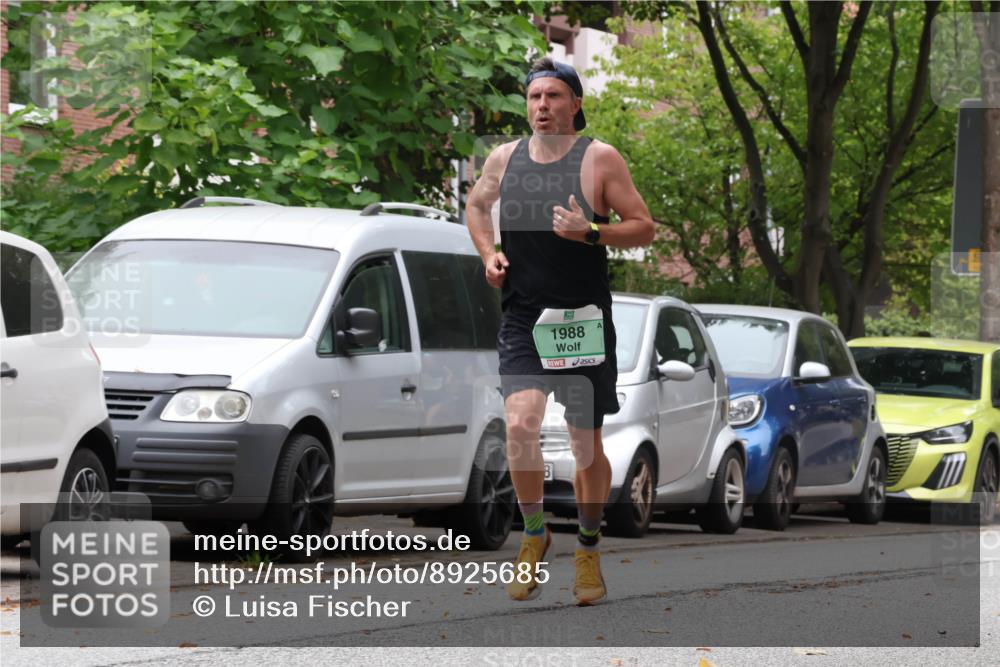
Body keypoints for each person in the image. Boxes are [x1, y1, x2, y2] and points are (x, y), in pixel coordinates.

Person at [465, 57, 654, 605]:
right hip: (524, 316)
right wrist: (488, 253)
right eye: (533, 98)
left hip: (580, 321)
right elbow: (478, 206)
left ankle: (589, 548)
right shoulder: (504, 157)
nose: (541, 107)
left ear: (574, 103)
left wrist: (591, 231)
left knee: (583, 443)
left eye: (552, 97)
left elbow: (643, 226)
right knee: (520, 426)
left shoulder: (600, 159)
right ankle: (534, 533)